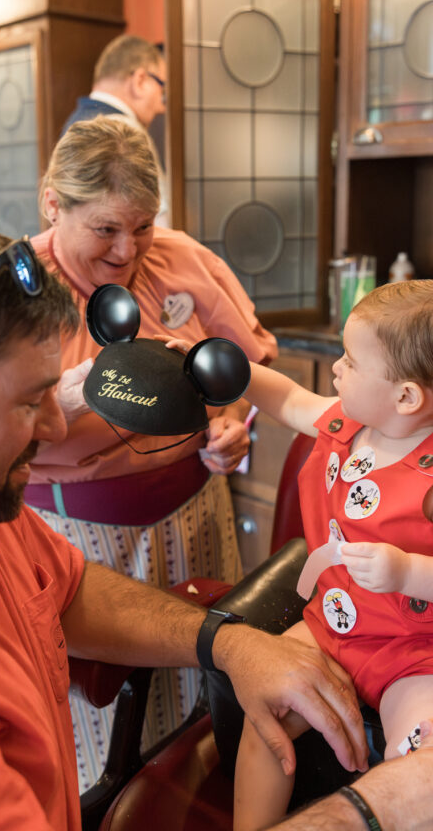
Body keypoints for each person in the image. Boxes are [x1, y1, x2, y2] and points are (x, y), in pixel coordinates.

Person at [0, 210, 433, 831]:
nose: (57, 431)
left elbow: (63, 590)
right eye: (29, 403)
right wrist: (368, 826)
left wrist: (225, 641)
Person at [26, 114, 278, 791]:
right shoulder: (14, 292)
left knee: (206, 700)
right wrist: (67, 400)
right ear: (54, 203)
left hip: (196, 513)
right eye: (105, 228)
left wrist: (230, 424)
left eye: (141, 225)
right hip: (76, 541)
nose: (126, 249)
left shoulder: (179, 258)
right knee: (104, 731)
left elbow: (246, 365)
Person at [216, 279, 433, 831]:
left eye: (350, 361)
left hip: (423, 651)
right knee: (266, 716)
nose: (335, 370)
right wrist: (234, 370)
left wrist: (407, 570)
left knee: (426, 758)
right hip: (334, 625)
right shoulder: (348, 422)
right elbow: (287, 399)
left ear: (405, 396)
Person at [61, 34, 169, 225]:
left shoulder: (75, 122)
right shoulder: (125, 132)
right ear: (140, 81)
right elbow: (159, 218)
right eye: (162, 87)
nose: (162, 106)